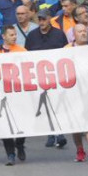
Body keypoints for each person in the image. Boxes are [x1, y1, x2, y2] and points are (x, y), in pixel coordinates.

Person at [25, 9, 68, 148]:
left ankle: (60, 132)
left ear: (50, 18)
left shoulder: (59, 34)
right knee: (45, 106)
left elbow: (66, 53)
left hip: (56, 76)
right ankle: (50, 133)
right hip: (39, 77)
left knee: (57, 105)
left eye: (44, 19)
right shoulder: (32, 36)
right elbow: (27, 56)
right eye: (39, 19)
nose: (41, 22)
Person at [0, 25, 27, 164]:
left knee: (22, 122)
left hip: (19, 94)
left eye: (15, 35)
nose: (14, 37)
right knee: (5, 125)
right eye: (11, 35)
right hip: (3, 94)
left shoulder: (22, 51)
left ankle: (19, 144)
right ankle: (10, 154)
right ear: (4, 37)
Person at [68, 24, 88, 163]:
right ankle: (80, 149)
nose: (83, 33)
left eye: (85, 31)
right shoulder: (66, 49)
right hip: (73, 92)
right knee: (76, 125)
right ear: (74, 35)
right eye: (80, 31)